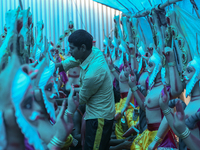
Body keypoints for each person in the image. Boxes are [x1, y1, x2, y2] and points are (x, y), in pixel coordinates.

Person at [56, 29, 115, 150]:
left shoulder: (93, 73)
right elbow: (67, 63)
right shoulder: (92, 52)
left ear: (82, 48)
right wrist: (46, 69)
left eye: (72, 48)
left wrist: (54, 101)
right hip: (95, 113)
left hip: (99, 118)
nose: (69, 51)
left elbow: (79, 100)